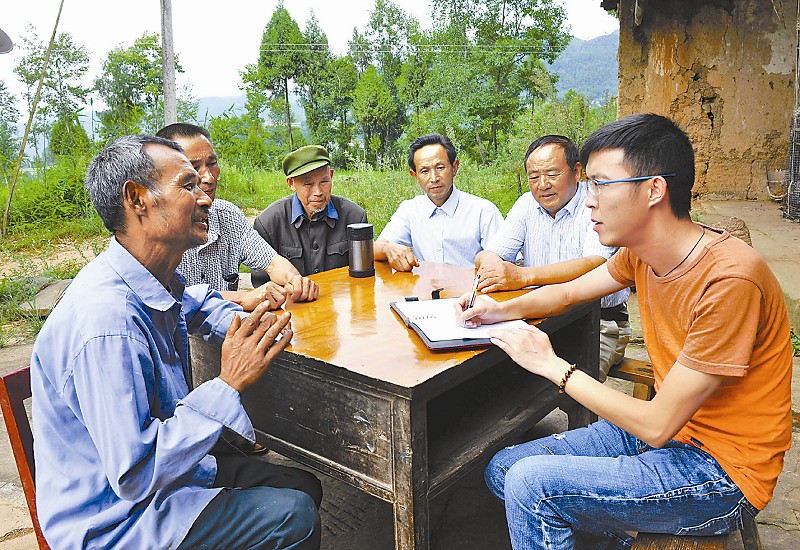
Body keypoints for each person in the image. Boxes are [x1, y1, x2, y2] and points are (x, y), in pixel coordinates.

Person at [457, 114, 792, 548]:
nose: (589, 200)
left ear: (654, 189)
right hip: (674, 434)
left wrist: (551, 364)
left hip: (720, 471)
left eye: (600, 184)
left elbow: (655, 425)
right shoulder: (640, 254)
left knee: (529, 485)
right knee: (503, 468)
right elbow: (567, 294)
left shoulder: (729, 280)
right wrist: (498, 309)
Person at [30, 135, 322, 549]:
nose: (205, 197)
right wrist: (228, 383)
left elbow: (197, 302)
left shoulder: (150, 275)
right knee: (295, 516)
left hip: (169, 478)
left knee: (303, 483)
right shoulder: (108, 323)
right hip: (119, 519)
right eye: (188, 185)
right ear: (138, 201)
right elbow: (135, 472)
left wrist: (246, 324)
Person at [475, 135, 630, 379]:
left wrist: (523, 276)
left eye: (552, 174)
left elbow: (595, 263)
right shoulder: (527, 204)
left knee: (576, 385)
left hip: (600, 324)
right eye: (534, 176)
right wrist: (491, 267)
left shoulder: (595, 202)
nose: (543, 184)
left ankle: (584, 418)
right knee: (493, 375)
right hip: (539, 320)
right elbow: (491, 253)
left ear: (577, 171)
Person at [156, 123, 319, 311]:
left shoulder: (228, 216)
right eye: (194, 167)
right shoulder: (158, 230)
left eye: (212, 163)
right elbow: (172, 299)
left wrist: (295, 281)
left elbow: (273, 263)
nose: (209, 177)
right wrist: (242, 298)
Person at [374, 133, 503, 271]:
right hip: (423, 291)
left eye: (440, 167)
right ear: (415, 175)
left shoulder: (483, 211)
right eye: (424, 171)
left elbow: (504, 261)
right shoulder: (410, 210)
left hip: (472, 290)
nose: (434, 178)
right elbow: (375, 248)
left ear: (455, 168)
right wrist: (388, 248)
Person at [251, 145, 368, 283]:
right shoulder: (268, 224)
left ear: (331, 176)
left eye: (324, 181)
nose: (318, 192)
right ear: (291, 183)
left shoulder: (354, 217)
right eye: (308, 184)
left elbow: (363, 276)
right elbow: (262, 286)